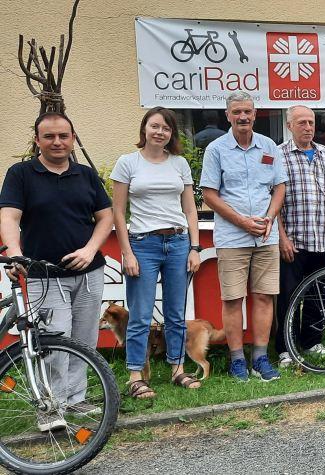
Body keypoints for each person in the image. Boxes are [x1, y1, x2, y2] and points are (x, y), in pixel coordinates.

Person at [0, 112, 113, 428]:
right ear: (37, 140)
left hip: (88, 273)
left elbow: (105, 218)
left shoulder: (86, 175)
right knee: (53, 343)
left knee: (84, 340)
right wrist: (16, 256)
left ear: (73, 138)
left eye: (63, 135)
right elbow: (9, 217)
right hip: (43, 275)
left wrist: (91, 249)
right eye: (49, 136)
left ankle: (76, 401)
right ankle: (50, 407)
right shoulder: (21, 174)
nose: (57, 142)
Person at [110, 106, 202, 398]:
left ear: (171, 133)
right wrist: (127, 252)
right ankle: (136, 375)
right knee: (139, 315)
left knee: (176, 313)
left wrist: (195, 247)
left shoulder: (179, 164)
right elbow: (118, 211)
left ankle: (177, 369)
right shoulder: (128, 163)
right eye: (155, 126)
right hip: (143, 245)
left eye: (166, 128)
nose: (160, 132)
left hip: (177, 243)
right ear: (144, 129)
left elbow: (190, 209)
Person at [200, 91, 287, 382]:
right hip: (233, 237)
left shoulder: (269, 146)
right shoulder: (216, 149)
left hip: (265, 235)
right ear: (228, 115)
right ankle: (236, 359)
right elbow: (209, 195)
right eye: (237, 112)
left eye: (248, 112)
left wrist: (270, 218)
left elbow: (279, 188)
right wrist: (241, 222)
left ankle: (260, 357)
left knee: (264, 297)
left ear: (255, 113)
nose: (243, 117)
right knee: (233, 299)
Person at [275, 105, 325, 367]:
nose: (307, 127)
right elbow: (273, 200)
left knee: (317, 294)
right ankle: (285, 347)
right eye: (301, 122)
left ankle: (312, 341)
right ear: (289, 125)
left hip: (322, 239)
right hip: (293, 240)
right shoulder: (278, 156)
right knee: (288, 296)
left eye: (311, 122)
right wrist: (282, 237)